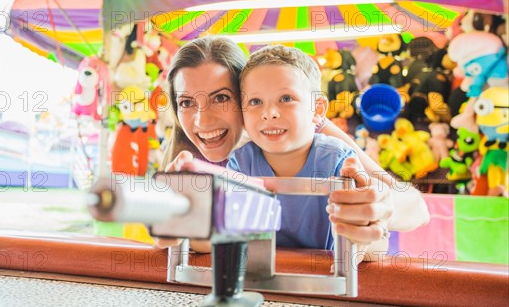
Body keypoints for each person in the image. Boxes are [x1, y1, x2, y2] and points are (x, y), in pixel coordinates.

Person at [157, 36, 429, 256]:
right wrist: (178, 227)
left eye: (220, 98)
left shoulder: (315, 134)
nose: (202, 119)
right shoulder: (186, 160)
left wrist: (380, 207)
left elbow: (416, 209)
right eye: (186, 102)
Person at [227, 44, 358, 250]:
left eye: (286, 98)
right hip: (258, 279)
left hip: (324, 277)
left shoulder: (338, 160)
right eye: (255, 101)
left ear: (317, 108)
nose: (269, 113)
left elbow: (364, 234)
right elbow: (230, 235)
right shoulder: (241, 163)